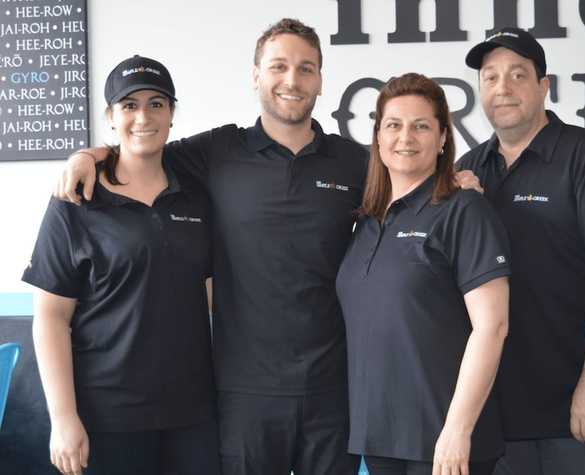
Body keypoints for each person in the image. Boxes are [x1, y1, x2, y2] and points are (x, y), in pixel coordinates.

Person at [54, 19, 366, 475]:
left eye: (306, 69)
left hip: (333, 391)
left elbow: (413, 186)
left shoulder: (356, 162)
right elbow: (140, 143)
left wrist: (455, 178)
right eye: (278, 66)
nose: (292, 81)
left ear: (320, 79)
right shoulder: (219, 150)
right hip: (242, 394)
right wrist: (87, 155)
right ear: (256, 75)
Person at [457, 28, 585, 475]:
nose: (502, 88)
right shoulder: (467, 170)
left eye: (518, 75)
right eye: (490, 77)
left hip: (573, 411)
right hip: (494, 410)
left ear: (544, 86)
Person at [22, 56, 220, 475]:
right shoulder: (77, 198)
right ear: (111, 117)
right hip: (108, 418)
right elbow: (50, 318)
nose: (143, 117)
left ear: (171, 115)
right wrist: (63, 419)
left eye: (156, 104)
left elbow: (205, 295)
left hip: (193, 415)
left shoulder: (196, 194)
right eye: (129, 106)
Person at [336, 73, 511, 475]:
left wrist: (457, 430)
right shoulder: (366, 222)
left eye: (421, 126)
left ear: (443, 137)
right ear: (377, 136)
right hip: (380, 437)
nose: (405, 137)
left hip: (444, 443)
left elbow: (493, 326)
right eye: (393, 125)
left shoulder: (465, 211)